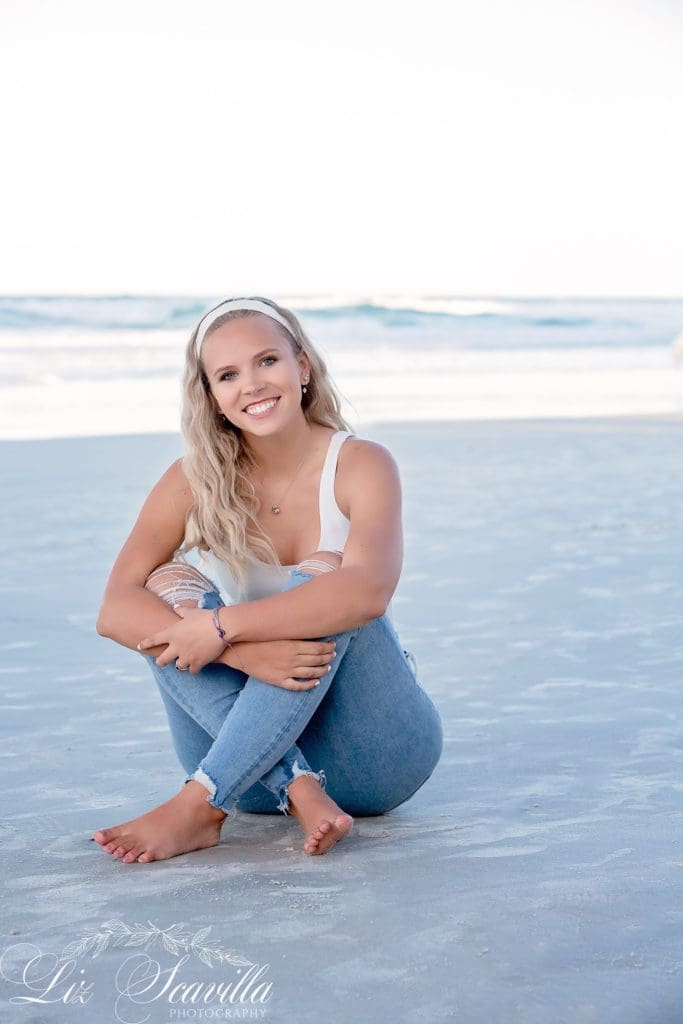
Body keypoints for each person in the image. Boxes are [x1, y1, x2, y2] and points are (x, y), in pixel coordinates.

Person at [93, 296, 443, 863]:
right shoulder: (194, 480)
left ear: (302, 367)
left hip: (377, 753)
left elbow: (368, 592)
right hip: (247, 770)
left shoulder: (361, 463)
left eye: (267, 362)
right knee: (161, 583)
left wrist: (223, 626)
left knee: (329, 581)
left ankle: (202, 803)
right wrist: (237, 654)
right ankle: (297, 787)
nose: (251, 385)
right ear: (211, 397)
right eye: (228, 375)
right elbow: (115, 610)